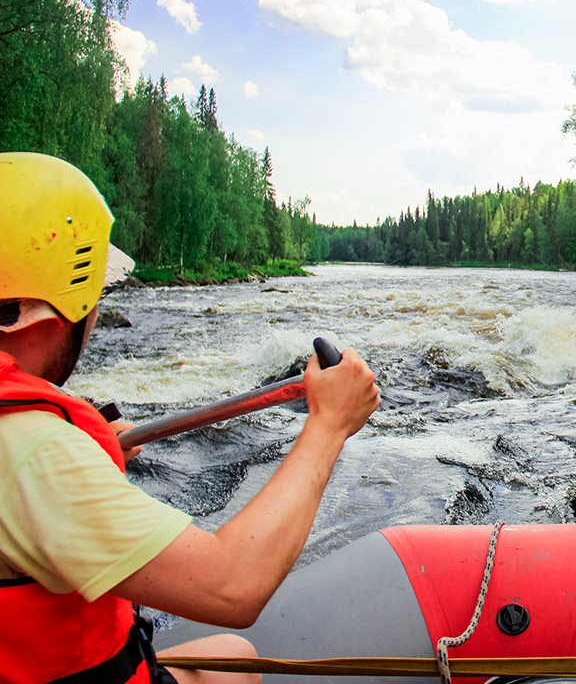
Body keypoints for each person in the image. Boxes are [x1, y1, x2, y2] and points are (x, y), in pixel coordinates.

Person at [0, 153, 381, 684]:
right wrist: (328, 426)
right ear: (59, 302)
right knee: (236, 653)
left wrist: (86, 452)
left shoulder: (35, 445)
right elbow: (233, 586)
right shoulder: (33, 451)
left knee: (234, 656)